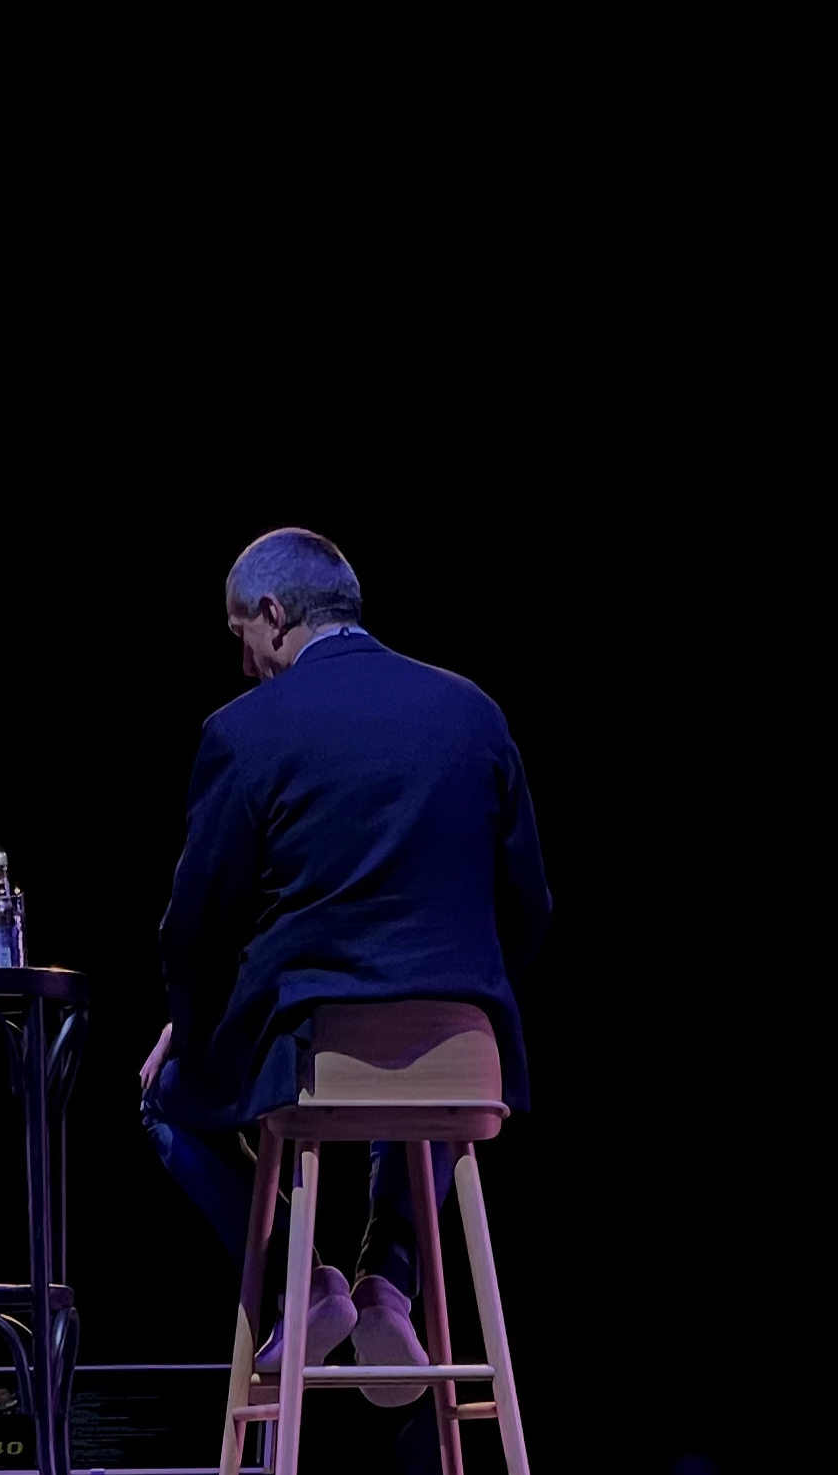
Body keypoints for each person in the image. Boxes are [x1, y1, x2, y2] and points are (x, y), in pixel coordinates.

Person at [139, 526, 549, 1414]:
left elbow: (195, 926)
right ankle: (390, 1279)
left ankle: (305, 1280)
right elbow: (531, 904)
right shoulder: (473, 710)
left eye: (242, 634)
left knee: (165, 1099)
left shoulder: (243, 730)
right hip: (467, 1052)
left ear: (274, 613)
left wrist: (193, 1028)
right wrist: (457, 1002)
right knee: (417, 1075)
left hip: (314, 1046)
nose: (245, 661)